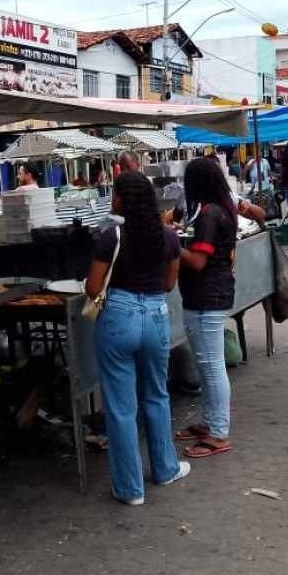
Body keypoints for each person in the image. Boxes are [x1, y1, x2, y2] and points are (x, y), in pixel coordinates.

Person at [86, 172, 189, 506]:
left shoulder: (110, 236)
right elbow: (170, 284)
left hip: (118, 316)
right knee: (157, 396)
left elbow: (92, 287)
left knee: (120, 408)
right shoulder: (169, 237)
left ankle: (130, 489)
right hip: (156, 315)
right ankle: (165, 468)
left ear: (121, 199)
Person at [174, 158, 237, 460]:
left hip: (207, 296)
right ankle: (211, 422)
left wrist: (172, 244)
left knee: (212, 368)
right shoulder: (221, 209)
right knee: (207, 366)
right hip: (210, 294)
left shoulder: (210, 214)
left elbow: (198, 262)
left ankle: (218, 433)